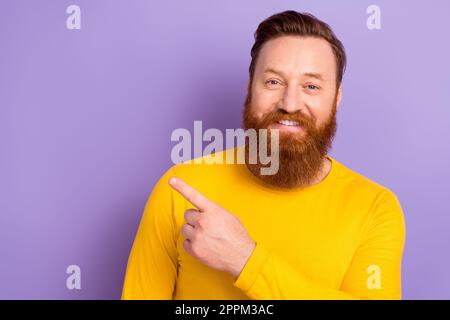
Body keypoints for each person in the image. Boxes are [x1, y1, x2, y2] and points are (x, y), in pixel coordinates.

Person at [121, 10, 405, 300]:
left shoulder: (375, 209)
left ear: (336, 98)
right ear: (250, 89)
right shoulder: (180, 188)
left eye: (311, 86)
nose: (290, 104)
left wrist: (245, 260)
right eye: (273, 82)